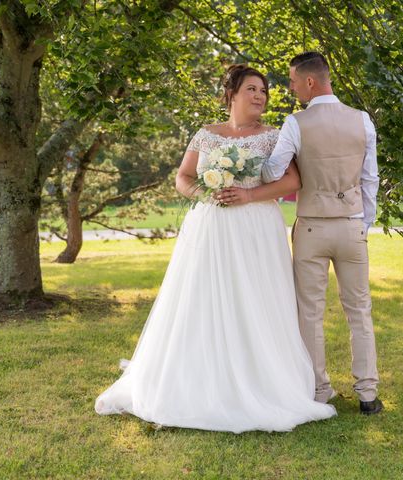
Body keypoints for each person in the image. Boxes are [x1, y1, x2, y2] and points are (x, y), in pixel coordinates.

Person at [95, 64, 336, 433]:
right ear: (232, 93)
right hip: (211, 227)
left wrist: (249, 194)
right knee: (203, 298)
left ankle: (262, 381)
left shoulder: (273, 136)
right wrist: (206, 195)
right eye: (253, 89)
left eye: (264, 91)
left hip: (256, 228)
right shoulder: (206, 135)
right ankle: (201, 377)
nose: (260, 96)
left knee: (257, 299)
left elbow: (293, 179)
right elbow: (183, 177)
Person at [254, 51, 383, 415]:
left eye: (294, 81)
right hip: (351, 225)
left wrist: (258, 169)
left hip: (311, 226)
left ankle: (318, 390)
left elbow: (273, 172)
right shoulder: (362, 121)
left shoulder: (295, 123)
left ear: (310, 81)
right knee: (359, 309)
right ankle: (368, 394)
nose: (292, 87)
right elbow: (370, 178)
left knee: (310, 312)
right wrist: (363, 223)